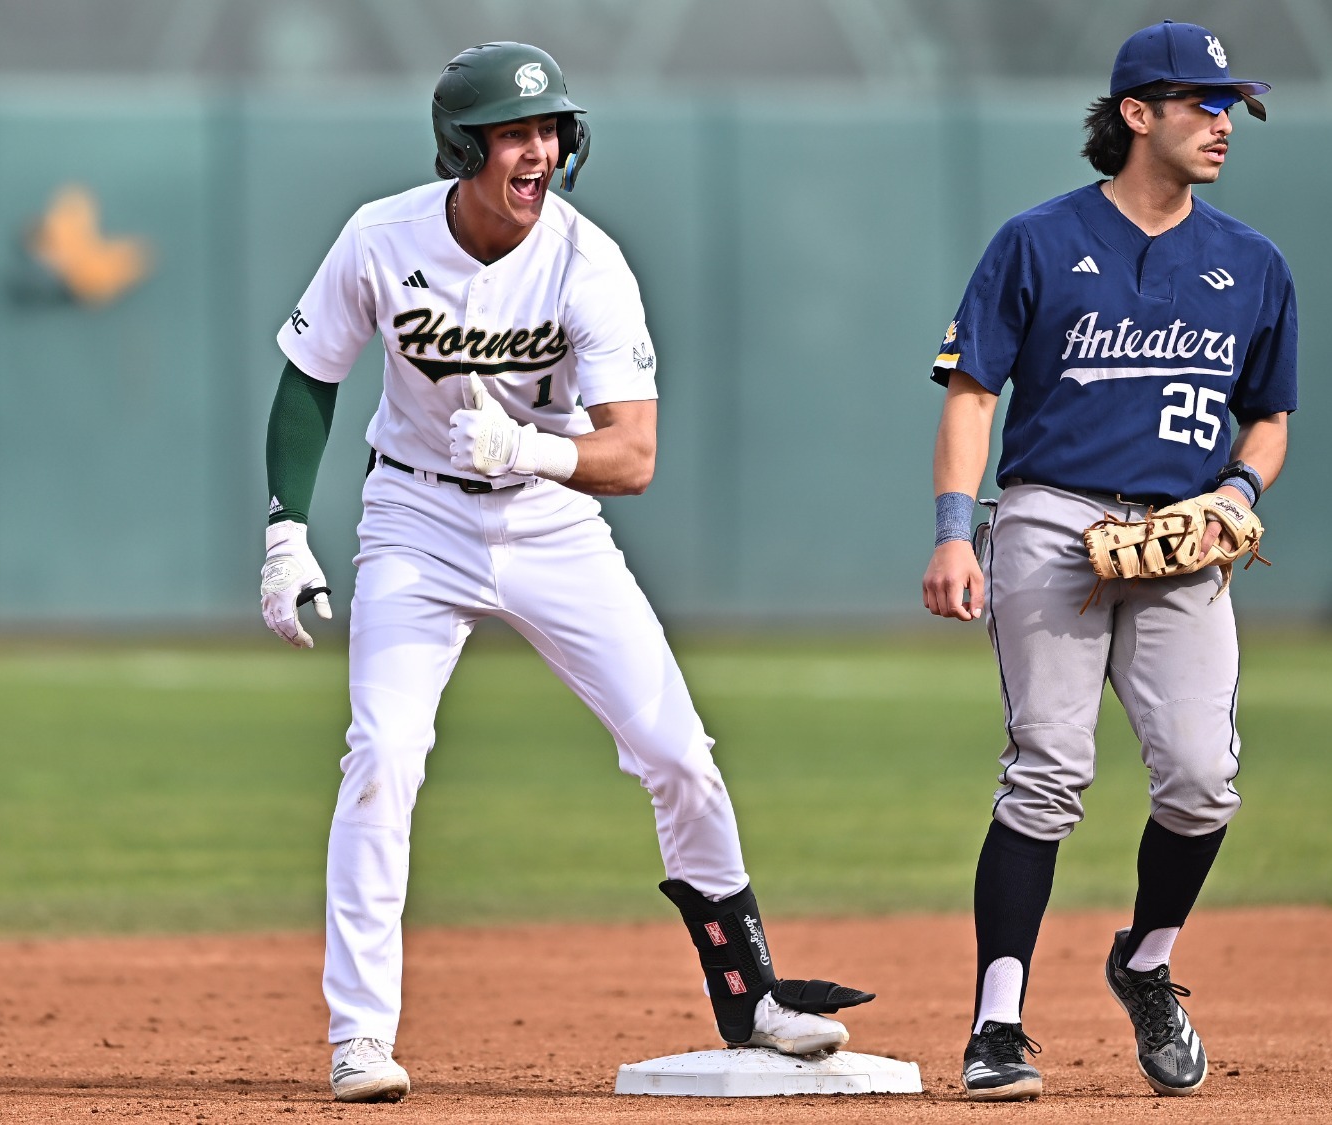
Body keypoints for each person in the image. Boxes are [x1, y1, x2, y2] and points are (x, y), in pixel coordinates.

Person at [260, 41, 873, 1104]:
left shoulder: (587, 262)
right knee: (383, 755)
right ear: (461, 147)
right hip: (413, 515)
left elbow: (629, 457)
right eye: (513, 132)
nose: (537, 150)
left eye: (548, 130)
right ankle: (359, 1037)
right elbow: (310, 378)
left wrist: (534, 453)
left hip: (551, 522)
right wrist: (284, 529)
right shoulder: (382, 237)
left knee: (676, 751)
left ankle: (753, 998)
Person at [920, 20, 1296, 1102]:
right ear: (1136, 113)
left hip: (1183, 532)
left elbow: (1266, 419)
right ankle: (996, 1026)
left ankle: (1145, 965)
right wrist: (955, 529)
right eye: (1201, 103)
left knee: (1199, 780)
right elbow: (971, 397)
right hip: (1051, 517)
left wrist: (1237, 489)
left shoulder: (1251, 263)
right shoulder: (1034, 242)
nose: (1222, 122)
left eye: (1230, 106)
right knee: (1047, 770)